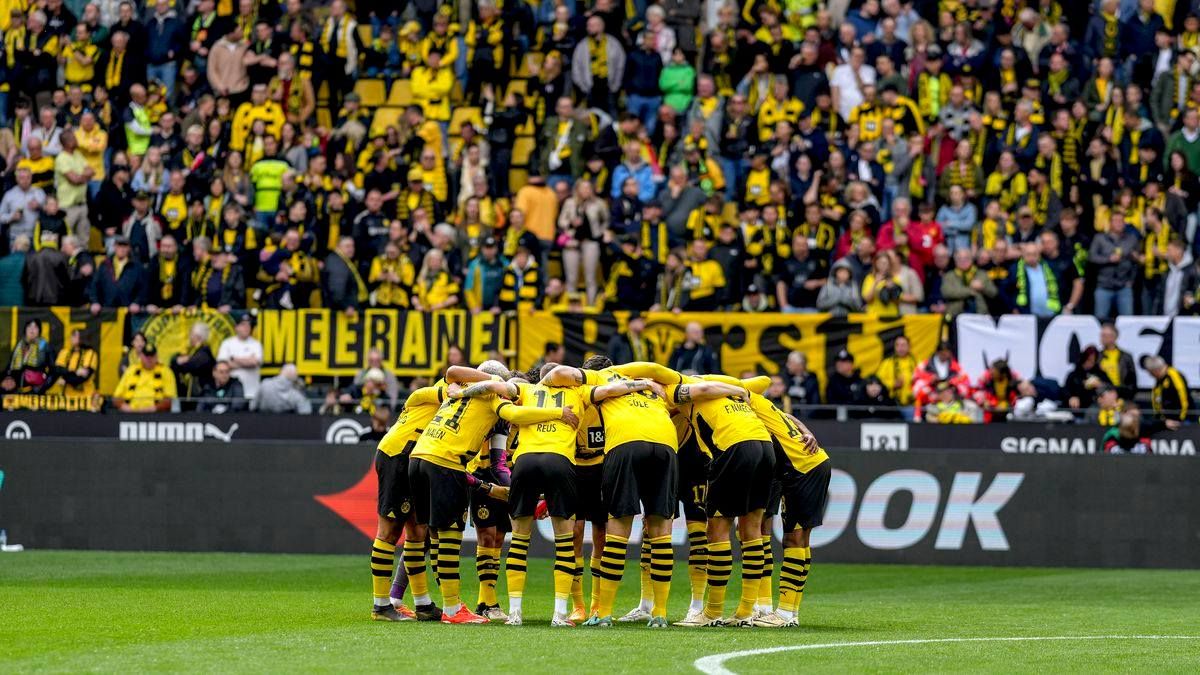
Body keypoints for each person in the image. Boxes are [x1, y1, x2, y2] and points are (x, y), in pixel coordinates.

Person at [408, 360, 578, 625]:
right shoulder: (494, 397)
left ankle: (425, 603)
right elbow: (514, 416)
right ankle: (452, 610)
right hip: (449, 462)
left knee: (429, 535)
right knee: (450, 536)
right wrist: (557, 414)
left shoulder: (459, 385)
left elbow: (445, 375)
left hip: (418, 456)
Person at [112, 343, 177, 412]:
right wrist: (126, 408)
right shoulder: (131, 370)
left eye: (151, 356)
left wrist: (151, 409)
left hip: (156, 414)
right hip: (130, 414)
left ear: (156, 357)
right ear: (141, 356)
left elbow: (169, 400)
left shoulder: (166, 372)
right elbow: (116, 397)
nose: (149, 359)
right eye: (146, 356)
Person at [216, 313, 263, 399]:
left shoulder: (256, 344)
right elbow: (223, 365)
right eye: (243, 325)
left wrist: (234, 359)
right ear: (236, 327)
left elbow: (255, 362)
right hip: (232, 392)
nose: (246, 327)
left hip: (252, 392)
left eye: (248, 324)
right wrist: (248, 361)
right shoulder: (227, 343)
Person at [170, 322, 216, 404]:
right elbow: (175, 362)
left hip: (201, 398)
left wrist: (178, 362)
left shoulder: (204, 354)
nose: (189, 336)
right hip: (191, 396)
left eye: (191, 334)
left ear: (198, 337)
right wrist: (177, 360)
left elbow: (186, 367)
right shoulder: (192, 352)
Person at [1145, 355, 1193, 425]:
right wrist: (1158, 417)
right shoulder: (1160, 378)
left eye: (1151, 373)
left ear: (1156, 370)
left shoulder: (1174, 377)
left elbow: (1183, 400)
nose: (1150, 375)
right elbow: (1156, 398)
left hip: (1180, 421)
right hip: (1167, 420)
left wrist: (1180, 420)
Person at [1098, 323, 1138, 402]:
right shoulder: (1097, 357)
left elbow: (1132, 382)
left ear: (1114, 337)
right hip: (1101, 396)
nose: (1102, 338)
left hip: (1121, 396)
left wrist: (1119, 393)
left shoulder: (1126, 357)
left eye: (1105, 336)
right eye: (1101, 335)